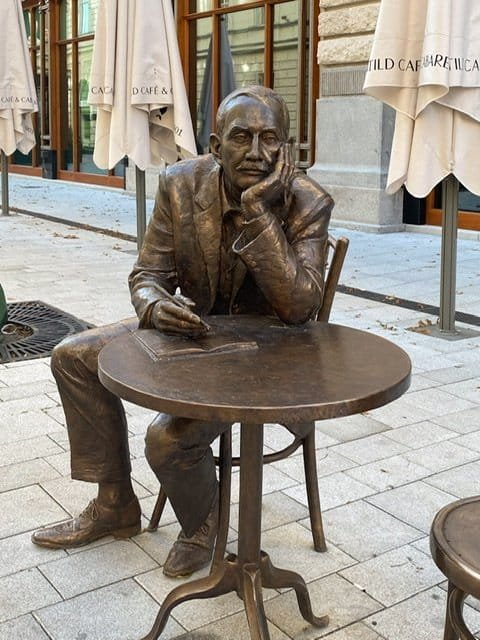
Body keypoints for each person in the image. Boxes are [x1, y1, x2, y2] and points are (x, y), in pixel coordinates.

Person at [32, 86, 333, 578]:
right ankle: (115, 504)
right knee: (71, 355)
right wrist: (156, 306)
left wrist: (258, 211)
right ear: (215, 146)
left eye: (269, 139)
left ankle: (202, 525)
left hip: (269, 355)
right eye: (241, 138)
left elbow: (300, 308)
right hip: (197, 332)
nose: (256, 153)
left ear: (288, 149)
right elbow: (147, 274)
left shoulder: (308, 202)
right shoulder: (179, 183)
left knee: (166, 441)